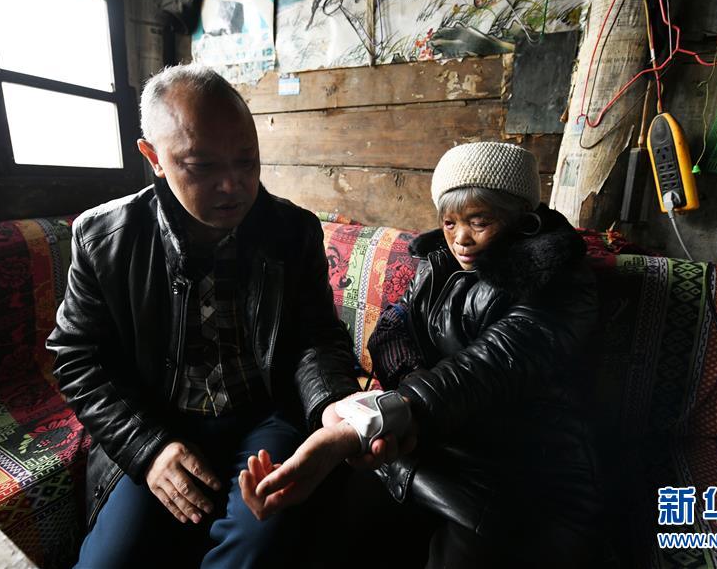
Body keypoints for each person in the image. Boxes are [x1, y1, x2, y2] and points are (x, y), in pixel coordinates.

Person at [46, 64, 363, 568]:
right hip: (154, 418)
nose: (233, 185)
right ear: (153, 157)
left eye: (247, 161)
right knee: (112, 559)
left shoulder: (293, 230)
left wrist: (330, 404)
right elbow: (77, 359)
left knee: (259, 544)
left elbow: (317, 337)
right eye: (201, 166)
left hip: (265, 415)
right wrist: (147, 449)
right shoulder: (103, 238)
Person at [240, 142, 605, 568]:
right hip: (427, 440)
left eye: (479, 222)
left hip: (518, 473)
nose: (461, 239)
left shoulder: (558, 279)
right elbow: (392, 330)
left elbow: (485, 367)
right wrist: (402, 396)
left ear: (522, 218)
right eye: (450, 223)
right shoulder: (438, 264)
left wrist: (383, 417)